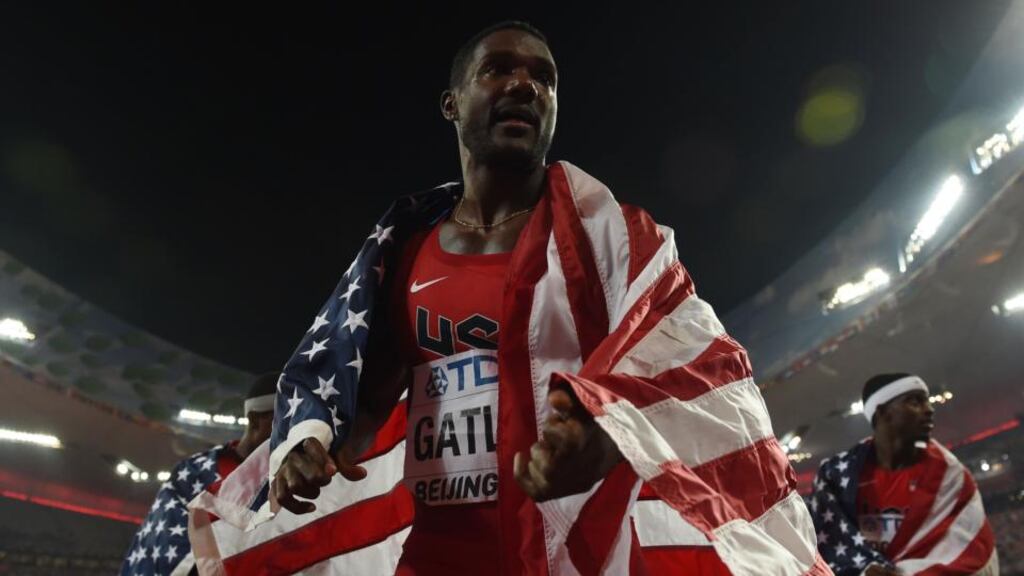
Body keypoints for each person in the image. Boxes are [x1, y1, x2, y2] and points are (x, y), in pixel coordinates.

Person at [266, 21, 826, 575]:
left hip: (569, 555)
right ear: (451, 104)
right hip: (436, 558)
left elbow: (704, 365)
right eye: (498, 69)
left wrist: (605, 434)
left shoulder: (616, 242)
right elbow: (365, 399)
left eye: (544, 77)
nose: (525, 85)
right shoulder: (402, 254)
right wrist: (312, 442)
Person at [810, 374, 998, 575]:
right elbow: (830, 546)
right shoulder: (837, 476)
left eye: (926, 401)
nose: (929, 410)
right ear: (882, 412)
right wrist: (863, 571)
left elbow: (970, 550)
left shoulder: (948, 474)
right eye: (915, 401)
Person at [120, 372, 277, 576]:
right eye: (285, 424)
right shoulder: (196, 474)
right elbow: (167, 552)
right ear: (255, 421)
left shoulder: (294, 479)